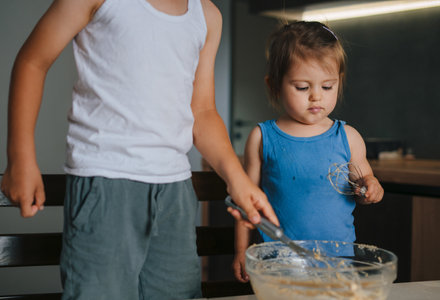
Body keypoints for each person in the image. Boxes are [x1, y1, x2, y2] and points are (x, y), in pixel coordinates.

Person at [0, 0, 278, 299]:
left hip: (176, 194)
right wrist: (20, 159)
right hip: (104, 184)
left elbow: (203, 111)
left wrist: (238, 180)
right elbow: (33, 61)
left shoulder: (208, 15)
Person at [232, 21, 384, 283]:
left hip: (337, 263)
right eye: (302, 87)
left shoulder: (349, 138)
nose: (316, 97)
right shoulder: (261, 138)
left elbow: (363, 187)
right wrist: (240, 251)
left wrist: (371, 188)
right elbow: (245, 205)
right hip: (277, 264)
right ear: (274, 86)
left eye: (327, 87)